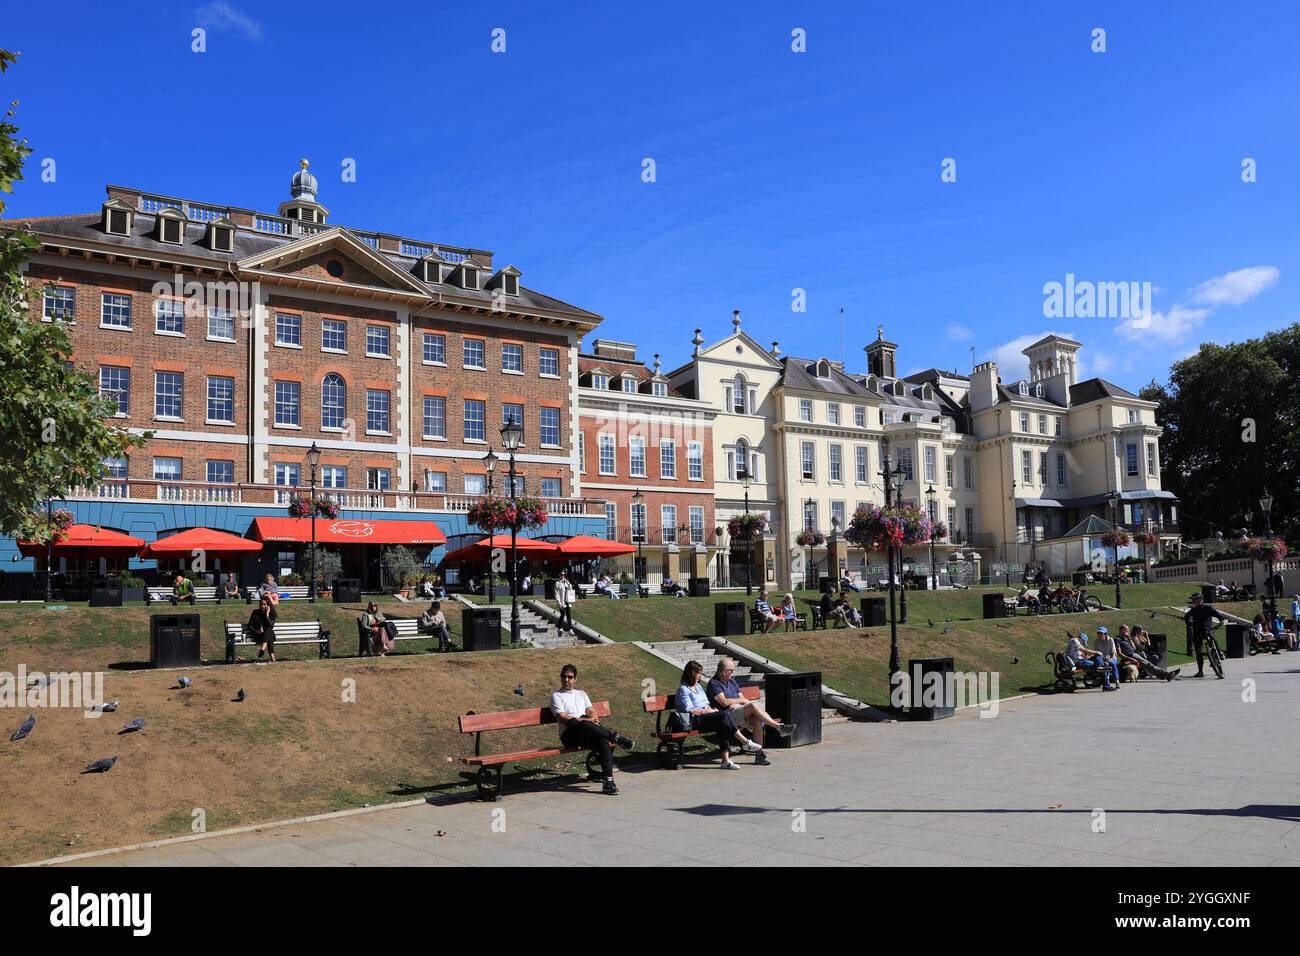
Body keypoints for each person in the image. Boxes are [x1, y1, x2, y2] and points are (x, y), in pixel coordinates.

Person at [550, 663, 633, 796]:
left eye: (569, 677)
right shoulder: (557, 696)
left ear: (575, 679)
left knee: (603, 741)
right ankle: (616, 737)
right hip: (569, 735)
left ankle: (608, 782)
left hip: (586, 732)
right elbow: (563, 717)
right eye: (563, 676)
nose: (566, 679)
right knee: (582, 722)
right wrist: (587, 721)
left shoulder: (581, 694)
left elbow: (590, 710)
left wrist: (593, 718)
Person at [674, 660, 764, 769]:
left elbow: (705, 703)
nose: (700, 676)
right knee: (724, 716)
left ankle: (725, 761)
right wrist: (705, 711)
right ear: (692, 674)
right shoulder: (684, 690)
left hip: (706, 716)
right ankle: (745, 742)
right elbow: (689, 710)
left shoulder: (698, 687)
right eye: (698, 673)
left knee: (722, 721)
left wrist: (711, 710)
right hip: (694, 720)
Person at [706, 659, 794, 765]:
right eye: (732, 670)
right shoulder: (714, 683)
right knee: (752, 705)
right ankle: (778, 727)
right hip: (726, 717)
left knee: (757, 720)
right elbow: (724, 702)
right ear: (725, 671)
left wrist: (738, 703)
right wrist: (740, 701)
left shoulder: (732, 681)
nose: (733, 673)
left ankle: (759, 755)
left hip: (739, 712)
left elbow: (743, 699)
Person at [1182, 593, 1229, 678]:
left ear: (1200, 599)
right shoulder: (1193, 610)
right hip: (1197, 632)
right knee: (1198, 651)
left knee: (1213, 639)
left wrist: (1221, 619)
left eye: (1194, 600)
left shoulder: (1207, 608)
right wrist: (1189, 623)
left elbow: (1217, 614)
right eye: (1193, 600)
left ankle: (1219, 653)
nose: (1193, 601)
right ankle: (1200, 671)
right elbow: (1186, 617)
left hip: (1207, 630)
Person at [248, 595, 278, 662]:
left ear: (268, 605)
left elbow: (271, 625)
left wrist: (267, 615)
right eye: (261, 604)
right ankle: (272, 658)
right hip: (258, 635)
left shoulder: (272, 614)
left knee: (269, 629)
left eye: (264, 604)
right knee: (269, 633)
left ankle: (263, 648)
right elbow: (249, 625)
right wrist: (256, 631)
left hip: (266, 636)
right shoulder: (255, 612)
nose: (262, 606)